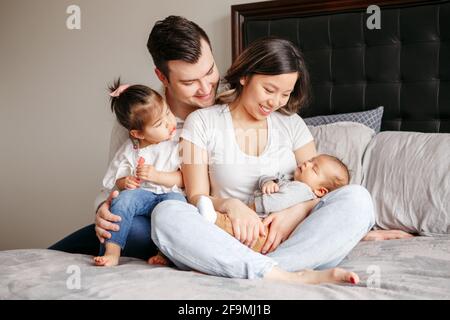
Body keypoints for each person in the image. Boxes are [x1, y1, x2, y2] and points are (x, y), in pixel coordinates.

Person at [48, 15, 414, 261]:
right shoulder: (142, 122)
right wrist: (103, 210)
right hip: (175, 219)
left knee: (354, 201)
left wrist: (303, 216)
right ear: (162, 76)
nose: (207, 86)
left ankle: (268, 263)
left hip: (229, 226)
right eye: (190, 82)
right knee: (158, 219)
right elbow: (118, 187)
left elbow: (314, 186)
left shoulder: (248, 104)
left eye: (210, 71)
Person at [93, 80, 186, 267]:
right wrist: (125, 182)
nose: (170, 124)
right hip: (142, 196)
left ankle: (165, 253)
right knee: (123, 201)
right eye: (160, 123)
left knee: (178, 207)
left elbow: (183, 179)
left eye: (168, 113)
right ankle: (112, 251)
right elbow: (115, 180)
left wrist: (157, 176)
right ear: (138, 134)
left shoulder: (177, 143)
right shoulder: (131, 150)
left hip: (170, 194)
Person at [196, 154, 350, 253]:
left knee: (250, 235)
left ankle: (215, 220)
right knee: (241, 231)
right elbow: (266, 177)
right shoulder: (289, 180)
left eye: (314, 168)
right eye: (310, 161)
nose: (307, 164)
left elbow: (277, 202)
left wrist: (255, 206)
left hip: (267, 226)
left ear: (321, 191)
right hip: (255, 216)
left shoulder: (302, 190)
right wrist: (268, 182)